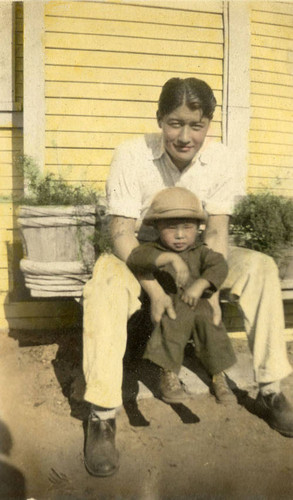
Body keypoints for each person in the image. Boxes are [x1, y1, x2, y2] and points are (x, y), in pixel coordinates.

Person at [83, 77, 293, 477]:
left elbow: (215, 232)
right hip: (140, 258)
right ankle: (102, 415)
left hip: (197, 255)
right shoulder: (131, 154)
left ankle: (270, 390)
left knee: (262, 268)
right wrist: (154, 288)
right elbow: (122, 235)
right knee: (104, 285)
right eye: (175, 123)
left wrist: (210, 288)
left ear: (209, 123)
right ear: (159, 118)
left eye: (196, 125)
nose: (184, 136)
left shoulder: (223, 159)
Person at [127, 186, 237, 405]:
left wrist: (201, 284)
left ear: (198, 227)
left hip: (200, 306)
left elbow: (219, 266)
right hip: (170, 306)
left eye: (187, 227)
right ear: (157, 227)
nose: (179, 235)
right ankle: (168, 374)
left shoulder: (201, 252)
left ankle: (218, 375)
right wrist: (169, 258)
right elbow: (136, 258)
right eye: (171, 228)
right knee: (172, 320)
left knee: (212, 324)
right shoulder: (154, 250)